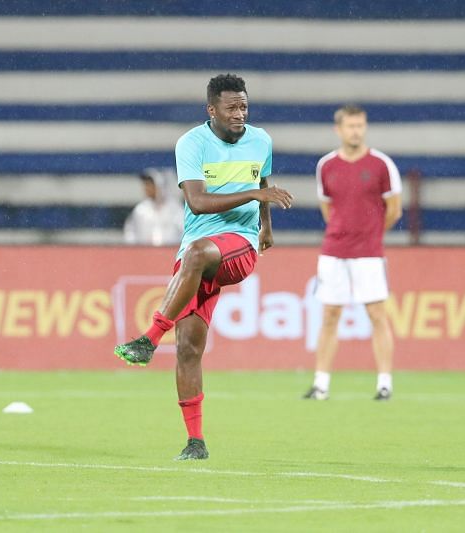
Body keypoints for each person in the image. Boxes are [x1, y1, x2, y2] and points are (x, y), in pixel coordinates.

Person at [114, 74, 294, 460]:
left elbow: (263, 180)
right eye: (231, 107)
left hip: (238, 247)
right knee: (188, 348)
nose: (239, 114)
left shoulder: (260, 140)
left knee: (196, 254)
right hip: (197, 248)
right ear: (211, 110)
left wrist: (265, 225)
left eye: (244, 106)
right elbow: (196, 203)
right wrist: (254, 194)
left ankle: (147, 338)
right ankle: (195, 442)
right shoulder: (192, 143)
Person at [302, 104, 402, 402]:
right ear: (339, 129)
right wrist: (344, 231)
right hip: (334, 251)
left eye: (360, 125)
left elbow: (394, 210)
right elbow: (327, 208)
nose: (356, 131)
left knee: (377, 315)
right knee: (330, 315)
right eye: (350, 126)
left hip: (369, 253)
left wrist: (370, 235)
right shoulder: (326, 166)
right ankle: (321, 384)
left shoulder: (382, 165)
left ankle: (384, 383)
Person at [123, 167, 184, 246]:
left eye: (150, 184)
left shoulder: (176, 209)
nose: (147, 188)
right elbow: (130, 234)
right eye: (146, 184)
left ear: (161, 186)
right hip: (145, 255)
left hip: (171, 255)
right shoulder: (141, 210)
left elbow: (185, 233)